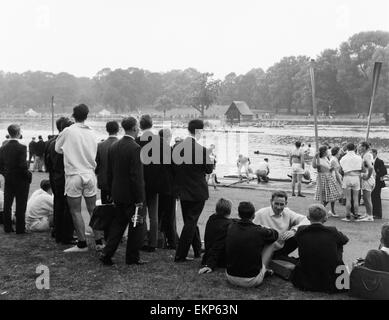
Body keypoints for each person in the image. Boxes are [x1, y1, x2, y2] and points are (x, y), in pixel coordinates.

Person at [55, 104, 103, 252]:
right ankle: (99, 242)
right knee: (92, 209)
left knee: (75, 211)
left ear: (73, 115)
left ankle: (82, 244)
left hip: (74, 174)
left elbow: (57, 148)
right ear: (86, 116)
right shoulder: (92, 132)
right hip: (89, 173)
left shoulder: (68, 131)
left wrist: (70, 152)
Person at [99, 117, 146, 266]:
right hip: (132, 195)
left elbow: (109, 172)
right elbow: (136, 176)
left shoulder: (114, 146)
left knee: (118, 225)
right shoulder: (136, 148)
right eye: (137, 127)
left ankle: (107, 253)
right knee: (136, 226)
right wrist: (140, 197)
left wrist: (110, 191)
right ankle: (132, 257)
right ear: (133, 128)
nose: (138, 129)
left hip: (117, 192)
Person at [173, 119, 214, 262]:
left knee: (190, 221)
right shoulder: (202, 150)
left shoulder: (176, 148)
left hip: (183, 190)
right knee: (191, 222)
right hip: (197, 191)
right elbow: (209, 169)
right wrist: (212, 159)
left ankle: (197, 250)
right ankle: (180, 254)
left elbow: (173, 169)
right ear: (199, 131)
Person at [291, 204, 349, 293]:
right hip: (330, 280)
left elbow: (296, 240)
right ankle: (337, 270)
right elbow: (345, 240)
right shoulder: (332, 231)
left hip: (305, 278)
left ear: (308, 217)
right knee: (339, 244)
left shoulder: (301, 230)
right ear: (325, 218)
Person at [225, 202, 278, 288]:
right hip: (251, 280)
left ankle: (261, 269)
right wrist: (266, 228)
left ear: (238, 214)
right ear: (253, 215)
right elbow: (275, 234)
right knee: (271, 242)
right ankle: (263, 269)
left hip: (230, 276)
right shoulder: (259, 231)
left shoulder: (231, 227)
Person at [254, 191, 310, 270]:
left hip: (281, 247)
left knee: (301, 232)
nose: (279, 207)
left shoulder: (287, 212)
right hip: (266, 250)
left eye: (282, 204)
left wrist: (293, 230)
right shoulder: (260, 213)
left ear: (286, 203)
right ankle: (277, 259)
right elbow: (251, 231)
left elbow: (307, 219)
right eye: (276, 204)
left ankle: (284, 257)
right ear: (271, 202)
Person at [45, 117, 75, 245]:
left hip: (55, 176)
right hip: (65, 177)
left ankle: (57, 231)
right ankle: (66, 235)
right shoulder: (67, 143)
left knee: (58, 204)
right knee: (68, 206)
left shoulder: (51, 142)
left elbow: (47, 163)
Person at [136, 114, 161, 252]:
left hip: (141, 181)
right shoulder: (159, 141)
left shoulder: (137, 141)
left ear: (140, 126)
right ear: (152, 124)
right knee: (154, 215)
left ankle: (142, 240)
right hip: (155, 182)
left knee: (142, 214)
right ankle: (153, 242)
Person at [0, 124, 32, 234]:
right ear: (18, 133)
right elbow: (23, 165)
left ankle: (8, 228)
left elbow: (0, 166)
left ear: (9, 133)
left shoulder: (3, 148)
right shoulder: (22, 148)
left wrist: (6, 174)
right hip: (21, 179)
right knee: (21, 204)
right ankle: (20, 228)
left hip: (9, 179)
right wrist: (28, 175)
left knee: (7, 204)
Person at [199, 198, 233, 274]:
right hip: (219, 260)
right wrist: (209, 265)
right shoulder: (227, 225)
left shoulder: (212, 218)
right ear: (229, 211)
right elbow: (218, 245)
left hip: (208, 255)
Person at [158, 128, 178, 249]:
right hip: (169, 187)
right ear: (168, 137)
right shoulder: (171, 152)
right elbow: (175, 171)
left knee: (158, 214)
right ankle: (171, 241)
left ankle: (158, 238)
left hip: (157, 187)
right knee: (170, 215)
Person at [312, 145, 343, 213]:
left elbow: (328, 168)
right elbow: (314, 166)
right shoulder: (319, 160)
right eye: (326, 150)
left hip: (329, 176)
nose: (328, 151)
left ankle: (326, 210)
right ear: (324, 152)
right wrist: (314, 156)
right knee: (327, 196)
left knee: (332, 195)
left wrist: (331, 169)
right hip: (324, 178)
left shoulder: (326, 158)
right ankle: (320, 210)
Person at [95, 121, 120, 205]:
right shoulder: (121, 145)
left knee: (104, 206)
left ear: (106, 130)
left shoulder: (100, 145)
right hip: (117, 182)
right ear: (118, 130)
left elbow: (96, 164)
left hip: (104, 181)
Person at [339, 143, 363, 222]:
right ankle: (356, 215)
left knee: (348, 198)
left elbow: (340, 169)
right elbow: (362, 168)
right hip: (356, 177)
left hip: (347, 177)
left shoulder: (343, 158)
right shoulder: (359, 157)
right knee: (356, 198)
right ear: (354, 148)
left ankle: (348, 216)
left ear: (347, 148)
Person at [357, 141, 375, 222]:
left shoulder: (367, 155)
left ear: (364, 147)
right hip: (367, 178)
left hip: (367, 179)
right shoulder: (366, 154)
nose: (358, 148)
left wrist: (367, 176)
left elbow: (370, 167)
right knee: (365, 198)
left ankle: (370, 216)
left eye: (360, 146)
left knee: (367, 198)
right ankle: (368, 213)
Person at [371, 149, 387, 219]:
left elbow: (384, 171)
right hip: (371, 181)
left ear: (375, 153)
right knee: (372, 197)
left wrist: (376, 176)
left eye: (371, 153)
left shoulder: (379, 161)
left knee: (377, 197)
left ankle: (378, 214)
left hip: (377, 182)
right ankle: (373, 213)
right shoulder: (370, 161)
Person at [328, 146, 343, 217]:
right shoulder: (333, 160)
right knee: (332, 196)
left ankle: (332, 210)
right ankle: (323, 209)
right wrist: (340, 182)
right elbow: (334, 171)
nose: (340, 152)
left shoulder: (335, 159)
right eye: (339, 151)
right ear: (337, 151)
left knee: (334, 196)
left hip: (334, 177)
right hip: (333, 178)